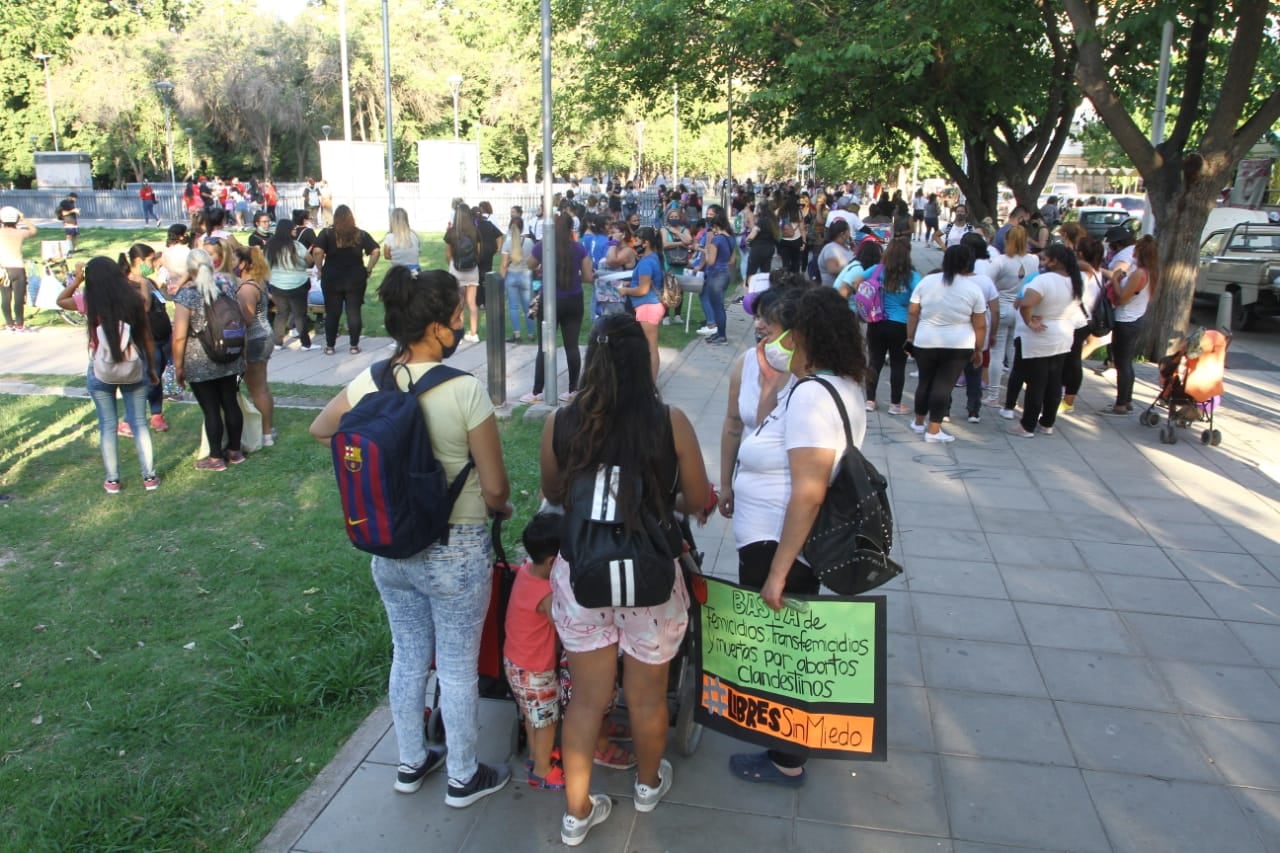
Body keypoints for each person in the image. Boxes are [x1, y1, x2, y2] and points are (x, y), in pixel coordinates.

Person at [309, 266, 514, 809]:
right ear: (438, 326)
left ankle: (410, 759)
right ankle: (464, 776)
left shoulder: (370, 380)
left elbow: (323, 429)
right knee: (455, 663)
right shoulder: (464, 391)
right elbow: (495, 488)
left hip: (389, 544)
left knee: (407, 655)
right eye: (455, 318)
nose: (461, 326)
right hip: (457, 548)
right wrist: (505, 506)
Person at [539, 312, 709, 846]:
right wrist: (660, 499)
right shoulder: (670, 421)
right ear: (645, 362)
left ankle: (576, 812)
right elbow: (700, 500)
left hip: (583, 576)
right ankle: (647, 783)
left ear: (591, 360)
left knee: (587, 700)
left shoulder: (560, 423)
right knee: (648, 696)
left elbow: (556, 493)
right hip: (651, 582)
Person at [726, 286, 868, 785]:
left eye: (788, 332)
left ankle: (786, 758)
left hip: (781, 544)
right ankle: (787, 744)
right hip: (787, 540)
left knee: (781, 651)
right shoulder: (841, 385)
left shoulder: (812, 395)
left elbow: (807, 491)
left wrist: (778, 574)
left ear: (805, 335)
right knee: (790, 647)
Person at [55, 257, 159, 494]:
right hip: (133, 366)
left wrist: (77, 279)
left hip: (101, 368)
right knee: (140, 423)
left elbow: (60, 301)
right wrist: (151, 369)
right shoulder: (133, 300)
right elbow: (147, 339)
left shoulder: (89, 301)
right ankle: (149, 476)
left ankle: (113, 479)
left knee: (108, 425)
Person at [504, 512, 566, 791]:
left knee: (533, 716)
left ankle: (534, 757)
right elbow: (564, 626)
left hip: (515, 662)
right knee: (546, 720)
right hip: (536, 670)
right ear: (554, 562)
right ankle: (542, 771)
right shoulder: (546, 595)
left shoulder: (528, 570)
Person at [171, 248, 245, 471]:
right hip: (229, 356)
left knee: (211, 409)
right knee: (230, 402)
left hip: (199, 360)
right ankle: (235, 451)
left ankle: (215, 458)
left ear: (190, 269)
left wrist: (178, 366)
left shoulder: (187, 296)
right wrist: (243, 355)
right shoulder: (227, 287)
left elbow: (180, 335)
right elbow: (239, 321)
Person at [906, 244, 988, 443]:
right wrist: (979, 348)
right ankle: (934, 430)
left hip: (925, 340)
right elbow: (980, 324)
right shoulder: (973, 289)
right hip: (958, 345)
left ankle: (918, 422)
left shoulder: (927, 282)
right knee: (943, 386)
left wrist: (910, 337)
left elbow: (913, 311)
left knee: (924, 382)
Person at [1007, 243, 1083, 438]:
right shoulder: (1075, 280)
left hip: (1040, 335)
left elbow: (1026, 303)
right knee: (1054, 382)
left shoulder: (1044, 281)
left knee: (1036, 382)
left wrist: (1030, 321)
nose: (1041, 263)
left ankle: (1027, 425)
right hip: (1063, 333)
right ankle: (1047, 422)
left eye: (1044, 259)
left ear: (1054, 261)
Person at [522, 212, 594, 404]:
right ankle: (574, 390)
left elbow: (529, 264)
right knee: (572, 346)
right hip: (574, 300)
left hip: (550, 301)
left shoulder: (543, 246)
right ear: (572, 228)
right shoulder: (579, 249)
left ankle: (538, 391)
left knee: (545, 346)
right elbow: (588, 277)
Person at [311, 204, 381, 355]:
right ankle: (354, 346)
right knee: (353, 312)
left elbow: (317, 251)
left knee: (332, 312)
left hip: (332, 277)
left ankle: (330, 346)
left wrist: (320, 268)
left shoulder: (327, 233)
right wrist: (369, 269)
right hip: (355, 277)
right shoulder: (359, 234)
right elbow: (375, 250)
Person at [116, 244, 171, 434]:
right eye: (150, 260)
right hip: (147, 339)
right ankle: (128, 420)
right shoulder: (128, 283)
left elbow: (160, 302)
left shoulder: (148, 280)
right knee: (148, 378)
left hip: (163, 336)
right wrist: (142, 284)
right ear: (139, 261)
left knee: (156, 377)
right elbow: (144, 307)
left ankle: (157, 414)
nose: (153, 264)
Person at [863, 237, 921, 414]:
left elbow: (858, 282)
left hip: (876, 321)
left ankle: (870, 400)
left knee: (874, 361)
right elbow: (920, 297)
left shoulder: (877, 270)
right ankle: (895, 404)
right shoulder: (912, 276)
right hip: (900, 324)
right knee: (898, 364)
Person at [1101, 234, 1157, 415]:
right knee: (1126, 363)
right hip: (1135, 318)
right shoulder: (1150, 272)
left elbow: (1123, 298)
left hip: (1126, 320)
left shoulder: (1140, 273)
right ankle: (1127, 399)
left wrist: (1116, 280)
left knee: (1122, 363)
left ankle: (1121, 403)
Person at [232, 243, 276, 446]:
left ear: (243, 264)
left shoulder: (247, 288)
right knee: (262, 388)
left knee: (257, 389)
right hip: (264, 336)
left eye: (234, 260)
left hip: (255, 339)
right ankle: (268, 430)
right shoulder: (258, 283)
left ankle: (265, 434)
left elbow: (247, 319)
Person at [986, 224, 1034, 406]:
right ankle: (1013, 394)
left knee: (997, 352)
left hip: (1002, 306)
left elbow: (987, 282)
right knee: (1015, 353)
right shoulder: (1034, 261)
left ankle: (993, 395)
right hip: (1021, 309)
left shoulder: (1000, 261)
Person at [1060, 235, 1107, 414]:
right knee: (1072, 360)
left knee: (1070, 362)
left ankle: (1067, 400)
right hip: (1085, 322)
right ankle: (1067, 398)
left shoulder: (1081, 275)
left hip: (1074, 321)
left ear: (1079, 253)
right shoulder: (1098, 273)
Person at [617, 226, 666, 379]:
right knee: (648, 346)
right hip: (650, 305)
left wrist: (626, 291)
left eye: (637, 240)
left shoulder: (646, 262)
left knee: (650, 347)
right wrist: (630, 284)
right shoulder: (655, 257)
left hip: (647, 306)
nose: (634, 242)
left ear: (645, 243)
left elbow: (643, 290)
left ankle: (650, 384)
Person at [266, 219, 313, 351]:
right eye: (293, 229)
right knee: (299, 315)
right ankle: (305, 344)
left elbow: (265, 264)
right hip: (298, 284)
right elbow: (309, 260)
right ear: (287, 230)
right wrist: (303, 265)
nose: (295, 231)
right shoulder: (296, 246)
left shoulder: (270, 246)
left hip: (277, 284)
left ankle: (278, 342)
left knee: (281, 314)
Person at [689, 209, 735, 346]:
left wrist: (705, 249)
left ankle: (722, 336)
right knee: (719, 305)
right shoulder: (730, 239)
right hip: (725, 273)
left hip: (715, 275)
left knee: (717, 307)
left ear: (715, 226)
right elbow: (731, 261)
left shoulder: (716, 239)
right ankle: (719, 334)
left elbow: (710, 261)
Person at [444, 200, 482, 342]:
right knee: (472, 303)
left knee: (458, 304)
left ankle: (458, 334)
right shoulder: (475, 232)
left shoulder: (451, 233)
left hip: (456, 269)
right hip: (472, 270)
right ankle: (473, 333)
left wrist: (452, 265)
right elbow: (478, 252)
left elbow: (448, 254)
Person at [0, 206, 37, 332]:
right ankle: (20, 324)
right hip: (18, 268)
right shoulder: (20, 232)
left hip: (3, 269)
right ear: (16, 220)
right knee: (19, 298)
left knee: (5, 297)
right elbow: (33, 231)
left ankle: (9, 323)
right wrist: (23, 218)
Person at [500, 215, 536, 343]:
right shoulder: (529, 242)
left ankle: (517, 334)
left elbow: (504, 264)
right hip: (525, 275)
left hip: (511, 275)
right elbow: (533, 260)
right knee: (528, 307)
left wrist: (501, 279)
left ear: (510, 228)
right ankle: (531, 334)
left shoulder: (507, 243)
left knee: (513, 307)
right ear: (522, 227)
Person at [814, 218, 854, 288]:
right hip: (834, 293)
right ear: (842, 234)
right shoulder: (831, 248)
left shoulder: (846, 247)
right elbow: (832, 269)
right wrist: (853, 268)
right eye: (849, 230)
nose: (850, 233)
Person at [745, 203, 778, 277]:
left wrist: (747, 241)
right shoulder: (773, 222)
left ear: (761, 210)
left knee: (751, 272)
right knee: (765, 273)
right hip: (769, 249)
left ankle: (749, 286)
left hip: (758, 249)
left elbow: (752, 236)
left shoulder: (761, 221)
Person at [383, 208, 421, 272]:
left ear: (392, 220)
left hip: (397, 272)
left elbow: (387, 256)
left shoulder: (389, 237)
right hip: (415, 271)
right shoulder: (414, 235)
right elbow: (417, 252)